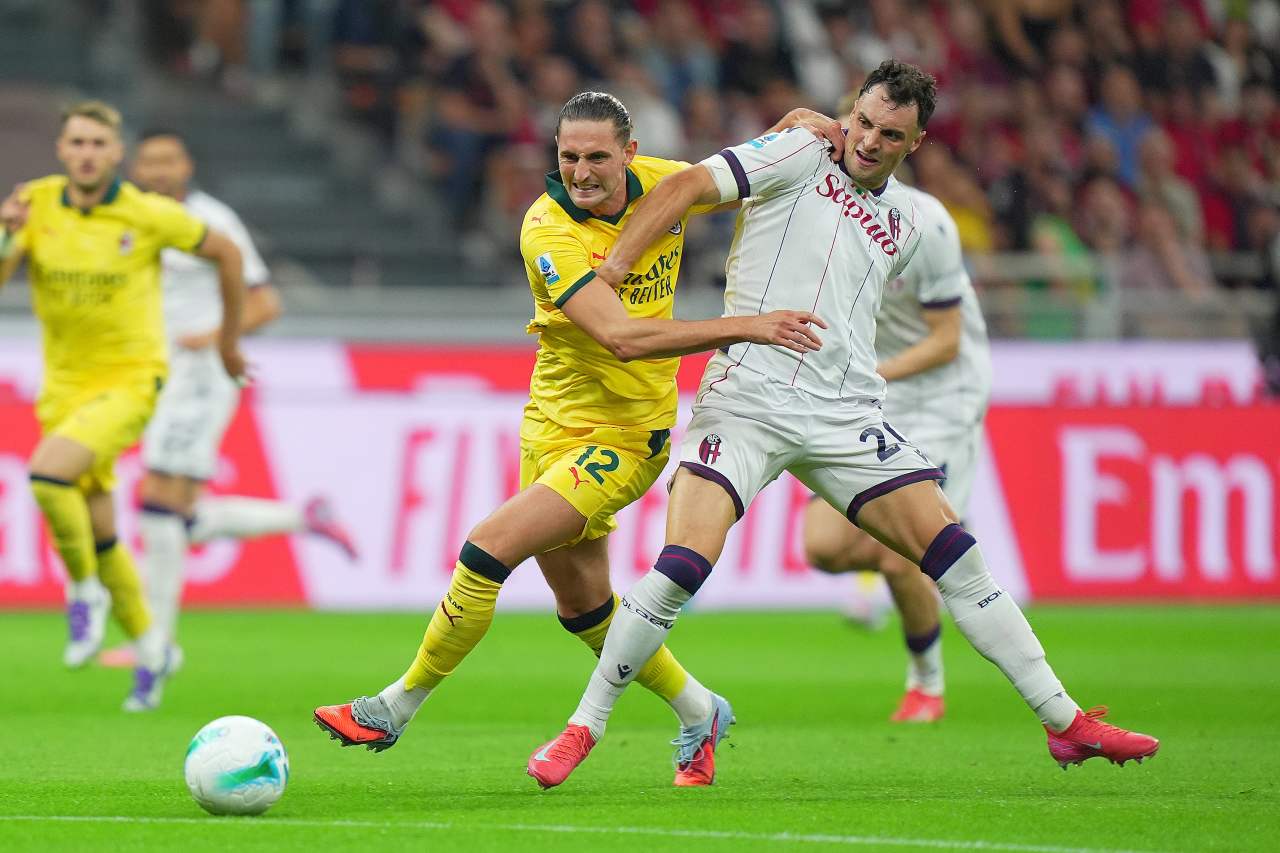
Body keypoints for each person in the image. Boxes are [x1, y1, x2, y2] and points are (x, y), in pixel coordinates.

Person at [529, 61, 1160, 789]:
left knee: (958, 558)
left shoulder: (909, 224)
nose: (867, 141)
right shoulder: (799, 150)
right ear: (848, 113)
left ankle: (1065, 721)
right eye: (862, 122)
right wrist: (614, 270)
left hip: (843, 414)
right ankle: (584, 726)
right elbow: (686, 187)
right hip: (748, 400)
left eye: (889, 134)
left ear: (914, 143)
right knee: (682, 565)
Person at [313, 92, 826, 787]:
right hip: (552, 427)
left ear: (630, 154)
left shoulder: (665, 185)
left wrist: (788, 131)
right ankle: (700, 710)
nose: (580, 172)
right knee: (584, 609)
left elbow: (745, 168)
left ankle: (394, 706)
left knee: (487, 548)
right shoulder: (547, 230)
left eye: (596, 157)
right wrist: (748, 326)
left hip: (626, 436)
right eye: (568, 157)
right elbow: (621, 336)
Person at [0, 100, 248, 711]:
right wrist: (5, 232)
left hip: (132, 380)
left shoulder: (148, 213)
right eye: (77, 142)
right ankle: (153, 651)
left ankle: (83, 592)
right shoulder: (35, 204)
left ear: (116, 154)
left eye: (98, 144)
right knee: (103, 532)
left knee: (47, 475)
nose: (87, 153)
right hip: (63, 388)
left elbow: (229, 253)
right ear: (62, 149)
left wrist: (228, 342)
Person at [95, 128, 358, 672]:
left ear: (187, 166)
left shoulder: (213, 221)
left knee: (158, 498)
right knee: (178, 515)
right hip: (155, 376)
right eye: (150, 162)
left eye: (169, 160)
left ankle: (155, 644)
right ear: (136, 169)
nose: (159, 170)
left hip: (201, 375)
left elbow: (265, 304)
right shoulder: (129, 222)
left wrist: (214, 339)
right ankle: (304, 517)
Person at [803, 173, 992, 725]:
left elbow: (947, 339)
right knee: (823, 547)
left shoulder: (926, 224)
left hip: (941, 397)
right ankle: (938, 540)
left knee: (898, 550)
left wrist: (872, 374)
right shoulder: (818, 219)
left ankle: (926, 684)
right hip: (874, 396)